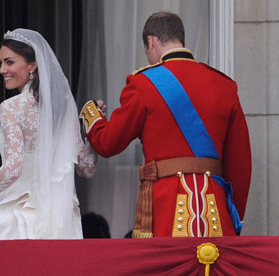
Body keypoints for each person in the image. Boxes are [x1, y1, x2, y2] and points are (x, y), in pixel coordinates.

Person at [80, 11, 251, 238]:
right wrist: (233, 216)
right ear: (182, 40)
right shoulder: (224, 85)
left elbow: (109, 142)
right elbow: (240, 163)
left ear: (151, 41)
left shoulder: (142, 83)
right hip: (215, 212)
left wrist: (92, 115)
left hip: (166, 210)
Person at [0, 28, 98, 240]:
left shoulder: (11, 108)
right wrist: (93, 131)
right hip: (58, 219)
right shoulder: (64, 109)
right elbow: (87, 168)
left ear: (33, 64)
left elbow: (13, 168)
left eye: (9, 62)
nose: (2, 69)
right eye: (1, 63)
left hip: (14, 215)